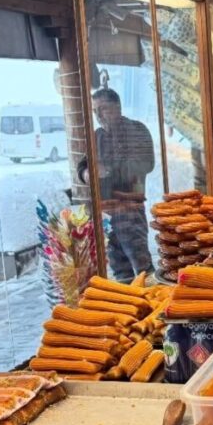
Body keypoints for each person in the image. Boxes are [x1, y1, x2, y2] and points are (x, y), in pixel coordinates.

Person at [78, 88, 156, 283]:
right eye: (95, 110)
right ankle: (130, 308)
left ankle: (155, 305)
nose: (98, 115)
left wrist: (109, 170)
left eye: (103, 109)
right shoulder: (96, 136)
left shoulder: (137, 130)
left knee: (142, 269)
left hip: (129, 210)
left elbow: (146, 164)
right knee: (120, 270)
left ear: (117, 107)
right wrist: (85, 173)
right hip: (106, 213)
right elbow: (84, 163)